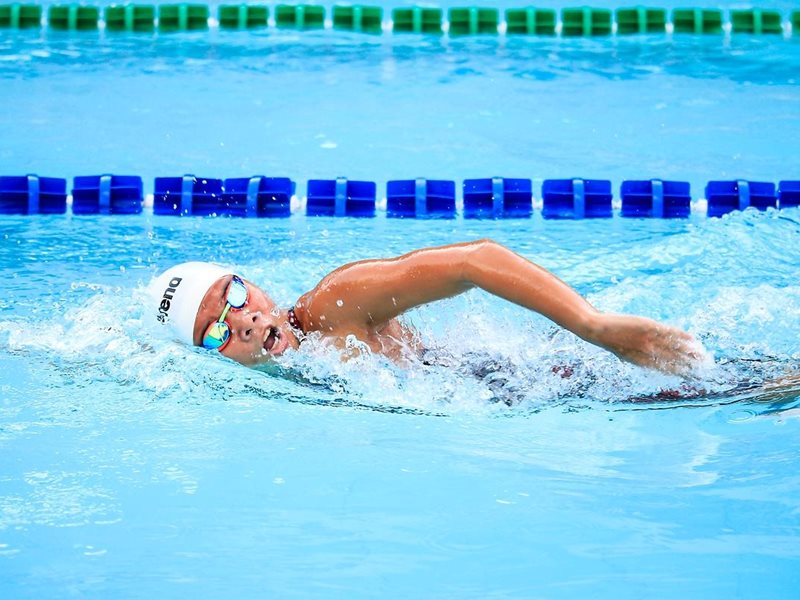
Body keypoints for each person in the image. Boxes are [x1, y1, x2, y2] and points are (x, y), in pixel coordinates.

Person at [148, 239, 705, 375]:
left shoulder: (332, 306)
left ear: (258, 290)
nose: (241, 322)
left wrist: (595, 327)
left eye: (236, 297)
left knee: (733, 386)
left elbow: (475, 260)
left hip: (526, 381)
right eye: (215, 332)